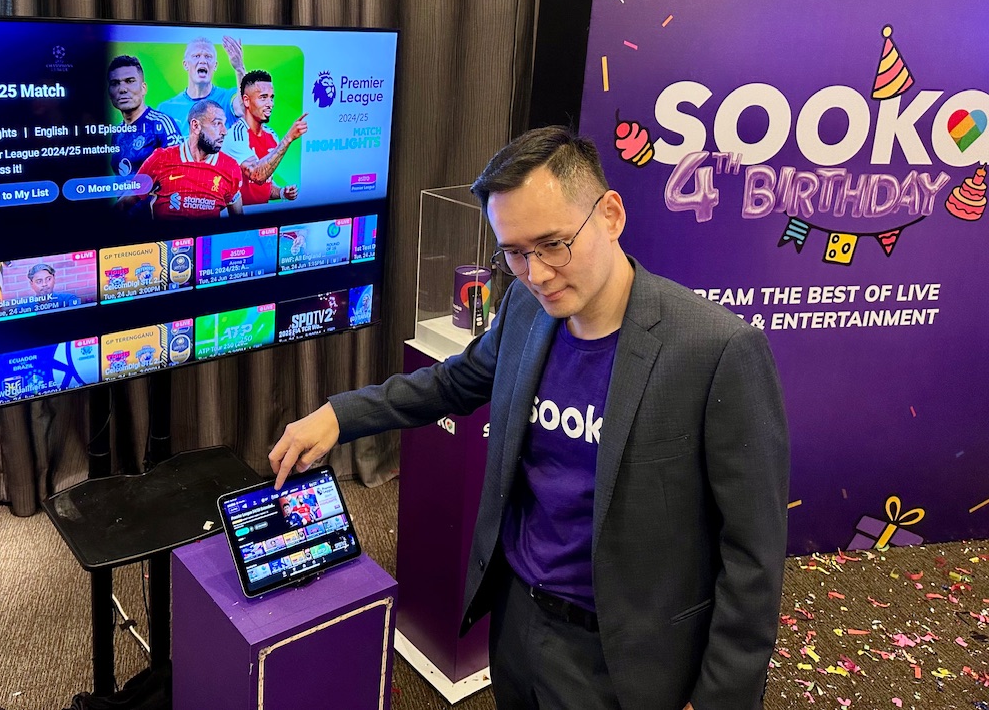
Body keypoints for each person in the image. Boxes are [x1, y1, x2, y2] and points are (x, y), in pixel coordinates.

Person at [268, 127, 790, 710]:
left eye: (553, 244)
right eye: (514, 253)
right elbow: (454, 382)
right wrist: (341, 415)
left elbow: (752, 557)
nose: (536, 273)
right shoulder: (524, 307)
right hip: (517, 622)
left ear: (610, 216)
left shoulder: (716, 351)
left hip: (623, 656)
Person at [137, 99, 244, 219]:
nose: (224, 131)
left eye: (224, 124)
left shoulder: (230, 167)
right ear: (196, 126)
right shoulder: (161, 159)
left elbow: (238, 222)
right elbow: (125, 203)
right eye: (217, 123)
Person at [223, 70, 307, 204]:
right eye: (263, 97)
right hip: (239, 216)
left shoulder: (271, 135)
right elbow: (257, 175)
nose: (270, 104)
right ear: (246, 101)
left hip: (262, 214)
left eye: (271, 97)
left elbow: (264, 184)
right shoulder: (235, 135)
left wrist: (281, 192)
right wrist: (288, 139)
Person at [106, 55, 182, 177]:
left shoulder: (161, 124)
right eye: (115, 83)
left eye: (130, 81)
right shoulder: (116, 133)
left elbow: (179, 173)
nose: (122, 89)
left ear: (143, 88)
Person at [156, 36, 246, 135]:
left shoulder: (227, 99)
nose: (203, 61)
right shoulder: (166, 109)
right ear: (185, 64)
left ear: (215, 65)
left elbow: (244, 106)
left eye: (208, 56)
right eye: (196, 56)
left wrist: (239, 68)